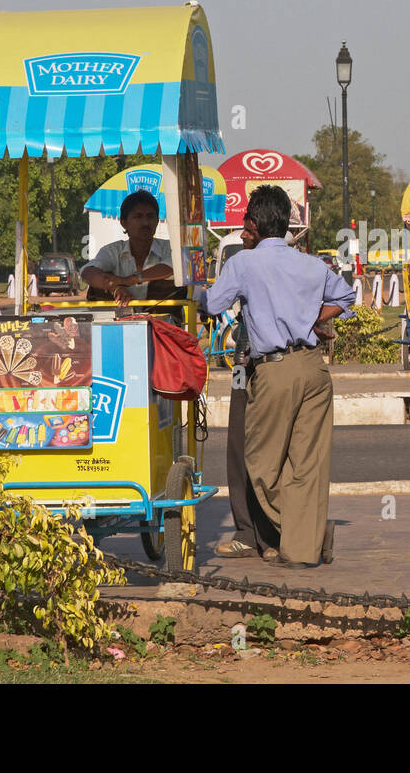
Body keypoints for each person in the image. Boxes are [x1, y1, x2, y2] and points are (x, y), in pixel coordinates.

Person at [200, 185, 354, 569]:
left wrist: (185, 287)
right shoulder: (311, 264)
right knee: (307, 465)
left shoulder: (244, 264)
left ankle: (308, 534)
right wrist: (312, 319)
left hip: (275, 369)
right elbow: (346, 298)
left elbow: (212, 303)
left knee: (261, 465)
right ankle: (304, 545)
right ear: (285, 221)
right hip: (315, 369)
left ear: (253, 222)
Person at [212, 222, 281, 559]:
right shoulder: (249, 264)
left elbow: (212, 303)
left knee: (262, 448)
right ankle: (249, 533)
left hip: (267, 366)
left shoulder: (278, 265)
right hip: (243, 363)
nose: (242, 236)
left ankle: (268, 536)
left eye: (247, 229)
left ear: (263, 229)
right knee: (240, 443)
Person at [80, 190, 177, 306]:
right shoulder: (112, 251)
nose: (145, 223)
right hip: (120, 323)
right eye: (138, 217)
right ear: (124, 223)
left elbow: (176, 266)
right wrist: (114, 287)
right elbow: (87, 272)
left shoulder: (170, 248)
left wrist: (131, 280)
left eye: (150, 216)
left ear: (157, 221)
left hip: (165, 324)